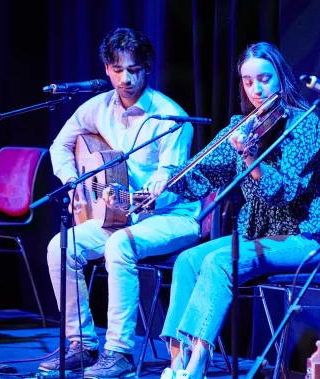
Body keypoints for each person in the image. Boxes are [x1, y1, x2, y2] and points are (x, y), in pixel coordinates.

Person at [155, 41, 320, 379]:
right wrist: (163, 183)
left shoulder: (305, 125)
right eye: (248, 82)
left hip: (303, 237)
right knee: (188, 260)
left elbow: (283, 193)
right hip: (259, 235)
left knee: (220, 261)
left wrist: (251, 158)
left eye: (264, 79)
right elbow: (202, 171)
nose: (256, 89)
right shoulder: (243, 126)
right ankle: (177, 360)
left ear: (280, 77)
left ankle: (198, 365)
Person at [39, 27, 201, 378]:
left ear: (148, 68)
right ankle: (81, 344)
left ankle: (119, 351)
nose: (125, 79)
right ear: (106, 69)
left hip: (171, 216)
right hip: (119, 215)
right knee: (60, 247)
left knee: (119, 245)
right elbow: (60, 146)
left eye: (134, 70)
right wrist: (74, 184)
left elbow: (169, 181)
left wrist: (155, 190)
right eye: (117, 69)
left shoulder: (168, 116)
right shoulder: (98, 108)